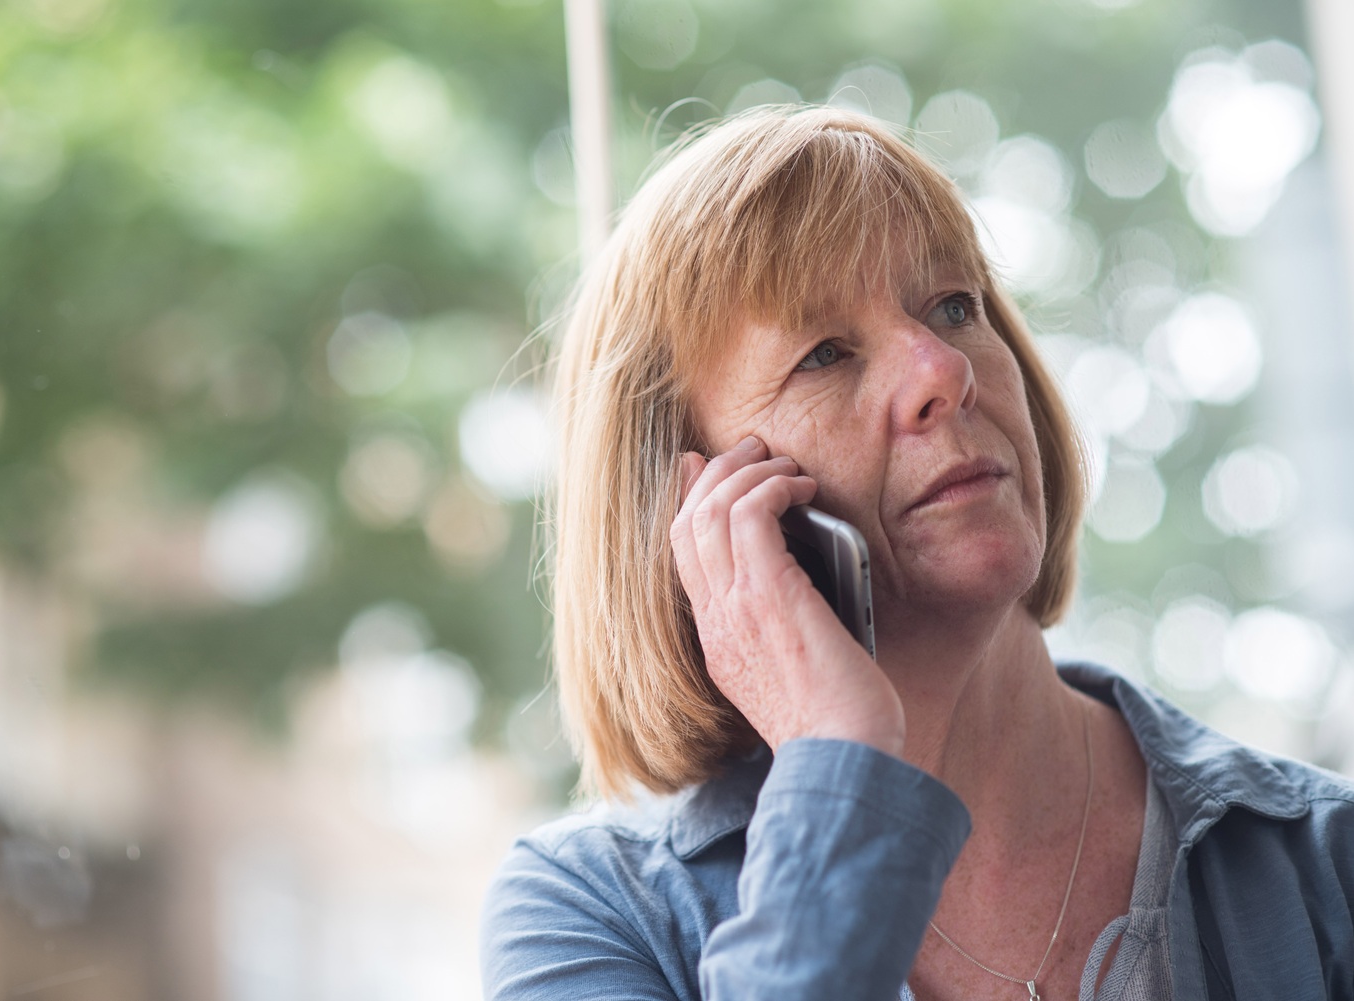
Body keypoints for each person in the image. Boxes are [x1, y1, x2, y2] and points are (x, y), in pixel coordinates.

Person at [480, 106, 1354, 1001]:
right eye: (824, 354)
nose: (945, 369)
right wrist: (840, 759)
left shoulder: (1326, 864)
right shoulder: (590, 914)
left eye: (954, 306)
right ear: (695, 509)